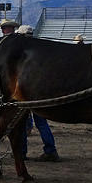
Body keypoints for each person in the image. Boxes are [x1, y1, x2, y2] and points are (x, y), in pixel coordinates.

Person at [17, 24, 60, 162]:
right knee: (41, 123)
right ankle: (50, 150)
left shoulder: (22, 53)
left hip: (26, 93)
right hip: (40, 92)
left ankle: (22, 152)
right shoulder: (39, 50)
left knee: (22, 123)